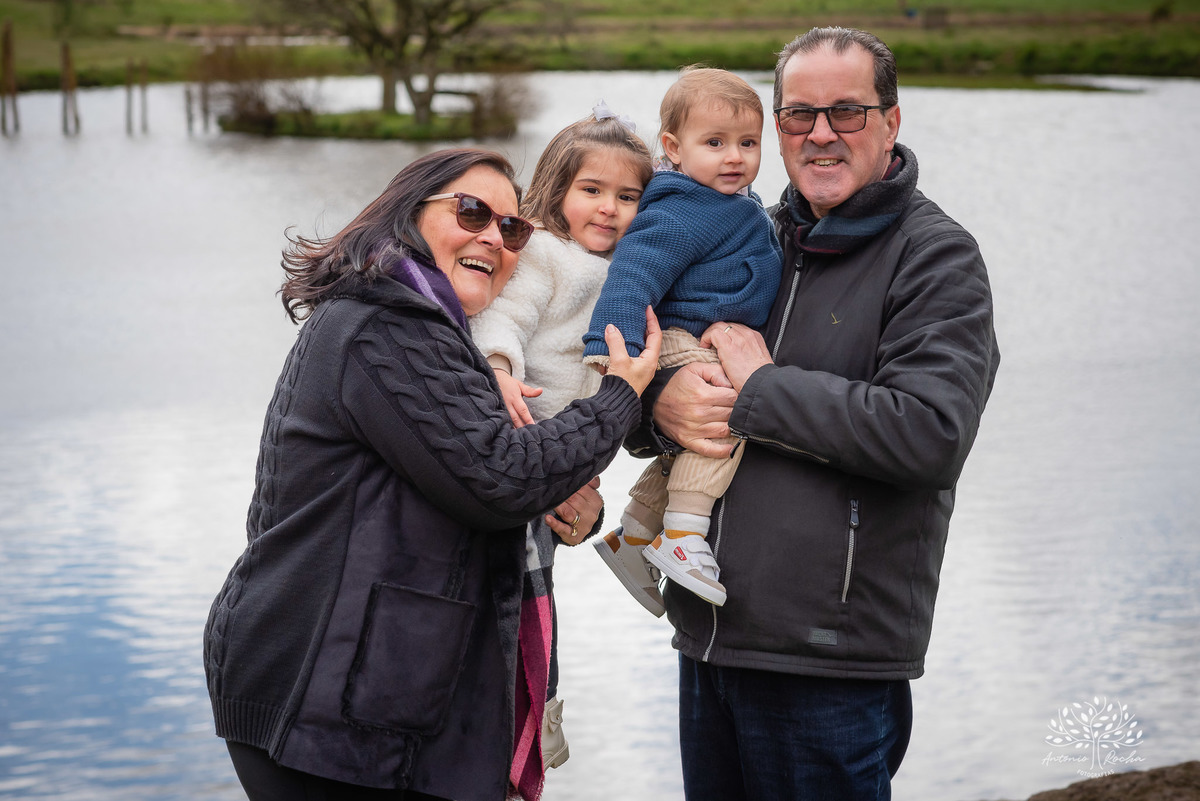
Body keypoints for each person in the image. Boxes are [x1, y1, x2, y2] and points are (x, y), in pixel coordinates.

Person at [202, 148, 662, 801]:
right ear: (407, 216)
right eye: (471, 211)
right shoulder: (384, 324)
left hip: (367, 685)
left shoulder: (439, 334)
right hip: (323, 696)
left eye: (512, 228)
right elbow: (501, 476)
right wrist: (619, 397)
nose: (492, 237)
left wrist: (565, 507)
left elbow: (475, 489)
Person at [629, 27, 1001, 800]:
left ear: (892, 122)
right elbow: (656, 382)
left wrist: (763, 387)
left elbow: (928, 434)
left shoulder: (937, 257)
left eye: (847, 112)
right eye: (798, 115)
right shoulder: (747, 231)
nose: (821, 133)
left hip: (828, 661)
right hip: (708, 636)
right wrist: (659, 403)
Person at [469, 104, 654, 770]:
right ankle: (527, 710)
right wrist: (499, 371)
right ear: (557, 190)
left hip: (573, 452)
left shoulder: (637, 270)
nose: (609, 208)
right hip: (527, 426)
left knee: (538, 585)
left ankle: (539, 707)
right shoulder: (543, 254)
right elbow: (503, 318)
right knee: (522, 582)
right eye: (592, 190)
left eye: (628, 195)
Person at [582, 68, 782, 610]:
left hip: (699, 333)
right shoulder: (681, 208)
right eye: (714, 143)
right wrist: (608, 348)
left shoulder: (733, 202)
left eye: (748, 143)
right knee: (728, 404)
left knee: (690, 433)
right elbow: (633, 272)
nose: (734, 157)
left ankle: (635, 534)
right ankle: (684, 536)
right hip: (669, 334)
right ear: (672, 147)